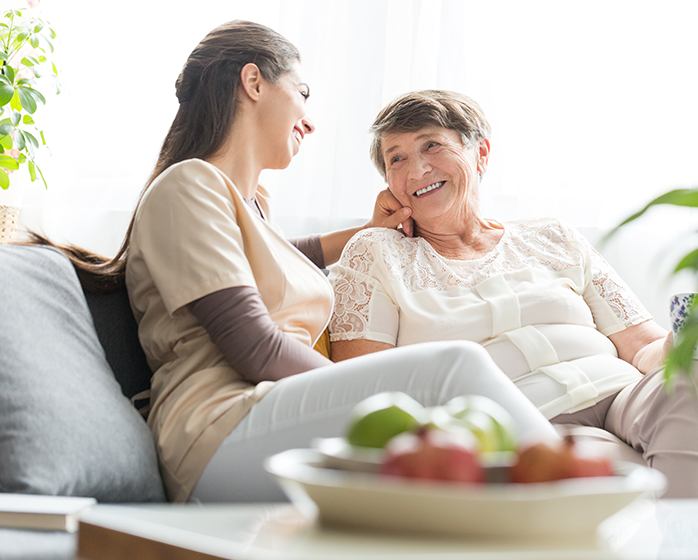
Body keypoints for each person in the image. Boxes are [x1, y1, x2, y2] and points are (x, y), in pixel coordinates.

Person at [32, 22, 563, 503]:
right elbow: (254, 347)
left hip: (268, 412)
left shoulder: (253, 204)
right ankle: (585, 492)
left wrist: (366, 231)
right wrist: (379, 387)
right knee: (453, 367)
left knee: (458, 448)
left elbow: (284, 259)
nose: (309, 121)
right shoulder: (189, 186)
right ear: (254, 82)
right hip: (217, 429)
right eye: (303, 94)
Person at [328, 90, 698, 499]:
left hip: (619, 394)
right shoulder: (376, 252)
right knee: (591, 452)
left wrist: (691, 337)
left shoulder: (553, 236)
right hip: (515, 418)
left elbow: (642, 346)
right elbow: (369, 387)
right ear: (388, 184)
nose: (417, 169)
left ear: (481, 154)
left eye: (432, 146)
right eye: (396, 159)